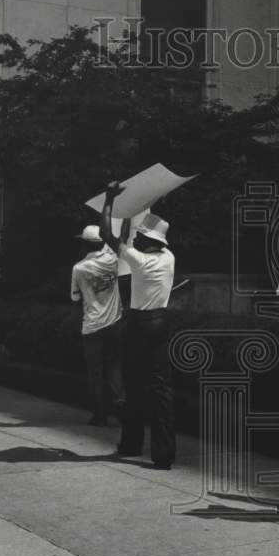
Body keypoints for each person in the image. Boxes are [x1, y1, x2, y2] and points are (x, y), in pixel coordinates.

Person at [99, 184, 176, 467]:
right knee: (161, 389)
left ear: (144, 239)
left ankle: (131, 444)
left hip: (139, 324)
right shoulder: (169, 258)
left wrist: (109, 200)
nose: (137, 240)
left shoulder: (138, 260)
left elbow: (107, 235)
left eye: (140, 237)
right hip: (162, 322)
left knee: (133, 385)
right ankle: (164, 454)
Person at [70, 224, 125, 427]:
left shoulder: (79, 268)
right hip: (115, 322)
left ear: (84, 244)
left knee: (95, 371)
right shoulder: (114, 261)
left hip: (92, 326)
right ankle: (121, 402)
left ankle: (99, 415)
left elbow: (75, 298)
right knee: (115, 366)